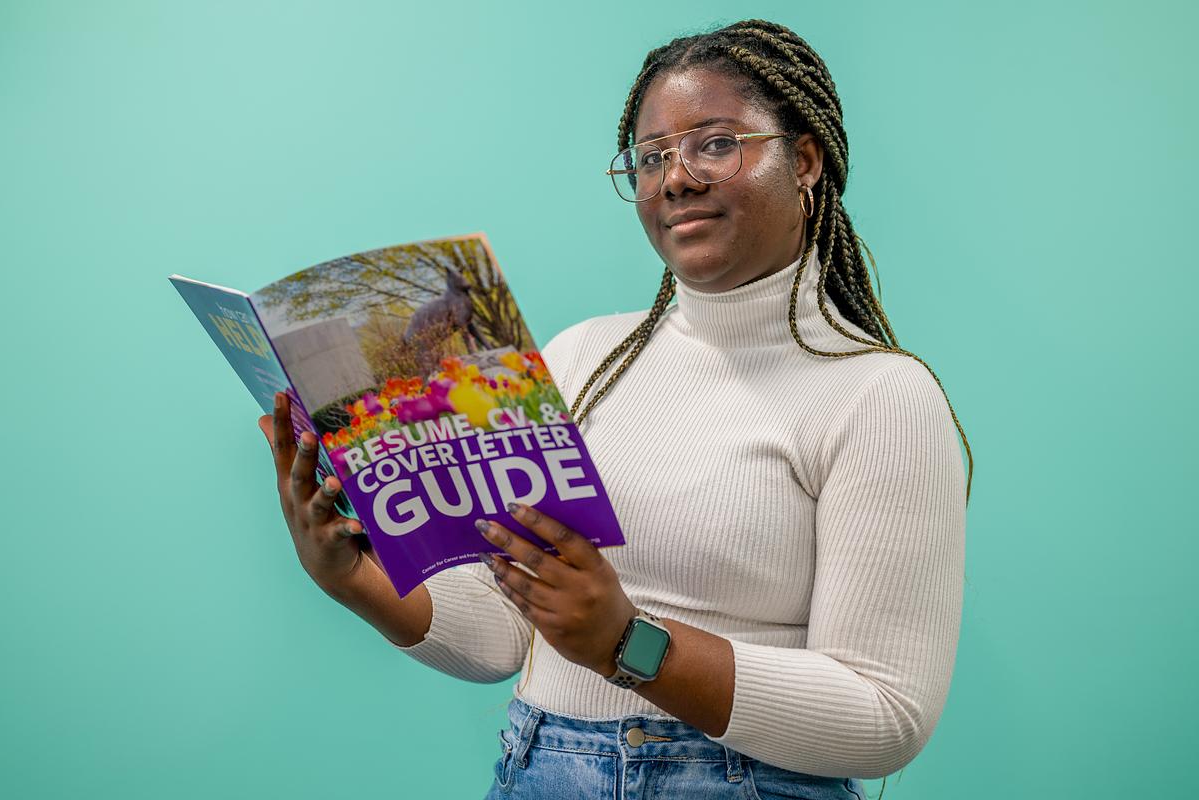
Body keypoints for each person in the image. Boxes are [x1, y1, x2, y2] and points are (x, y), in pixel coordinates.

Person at [258, 18, 971, 800]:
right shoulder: (579, 358)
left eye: (715, 143)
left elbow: (884, 715)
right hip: (536, 769)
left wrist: (631, 645)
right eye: (652, 157)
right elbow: (503, 636)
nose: (676, 179)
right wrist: (350, 575)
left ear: (804, 159)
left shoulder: (878, 396)